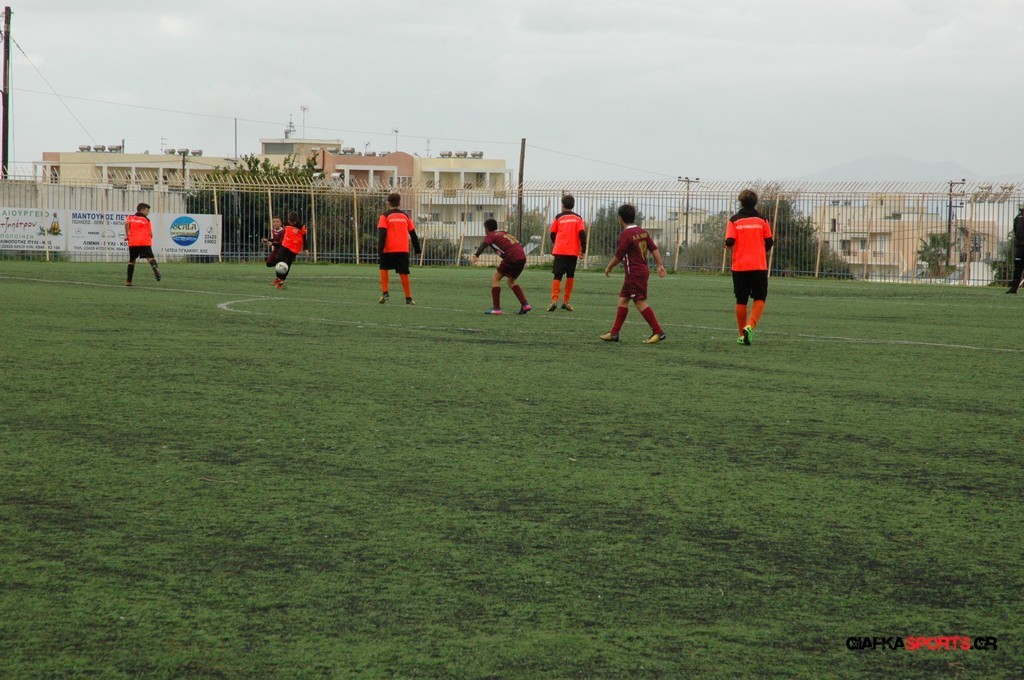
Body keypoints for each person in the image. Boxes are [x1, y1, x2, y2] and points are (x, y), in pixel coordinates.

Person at [600, 204, 667, 344]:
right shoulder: (642, 232)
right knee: (623, 300)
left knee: (639, 301)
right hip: (641, 271)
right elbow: (654, 248)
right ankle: (614, 333)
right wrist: (660, 265)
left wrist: (609, 267)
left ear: (620, 219)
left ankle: (658, 331)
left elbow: (619, 255)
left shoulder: (626, 235)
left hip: (634, 273)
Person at [726, 189, 774, 344]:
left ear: (740, 202)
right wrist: (760, 250)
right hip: (758, 265)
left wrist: (728, 246)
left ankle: (741, 334)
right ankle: (750, 326)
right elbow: (769, 241)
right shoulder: (762, 220)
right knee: (760, 297)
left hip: (740, 266)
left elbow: (730, 241)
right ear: (755, 203)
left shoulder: (734, 220)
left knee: (741, 300)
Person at [471, 218, 531, 315]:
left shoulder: (491, 235)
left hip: (511, 256)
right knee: (511, 281)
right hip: (522, 257)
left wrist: (476, 255)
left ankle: (496, 308)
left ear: (486, 229)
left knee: (496, 278)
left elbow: (484, 244)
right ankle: (525, 305)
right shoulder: (504, 233)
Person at [377, 193, 421, 304]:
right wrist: (417, 249)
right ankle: (408, 298)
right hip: (403, 249)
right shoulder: (405, 216)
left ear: (388, 203)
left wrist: (380, 250)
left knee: (383, 268)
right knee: (404, 273)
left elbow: (382, 234)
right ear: (399, 203)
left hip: (388, 249)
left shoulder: (384, 216)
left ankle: (385, 292)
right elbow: (413, 234)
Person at [548, 193, 587, 311]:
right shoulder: (578, 218)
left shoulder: (558, 217)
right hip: (572, 252)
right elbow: (582, 234)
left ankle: (554, 300)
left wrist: (557, 243)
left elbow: (552, 234)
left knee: (557, 275)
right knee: (570, 275)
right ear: (573, 205)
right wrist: (583, 250)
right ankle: (566, 301)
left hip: (560, 250)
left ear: (563, 205)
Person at [124, 202, 161, 286]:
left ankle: (128, 281)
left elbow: (126, 223)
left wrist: (127, 235)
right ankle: (154, 267)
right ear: (142, 210)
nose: (148, 213)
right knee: (150, 258)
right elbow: (150, 234)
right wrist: (149, 237)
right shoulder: (146, 220)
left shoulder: (130, 217)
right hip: (144, 242)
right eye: (147, 211)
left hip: (133, 242)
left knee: (132, 261)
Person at [273, 211, 307, 289]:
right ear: (288, 220)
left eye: (293, 222)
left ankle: (281, 280)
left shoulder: (301, 227)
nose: (291, 223)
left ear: (296, 221)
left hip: (295, 248)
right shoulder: (286, 223)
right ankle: (278, 278)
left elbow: (304, 238)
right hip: (285, 244)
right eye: (290, 222)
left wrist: (306, 248)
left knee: (287, 264)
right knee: (277, 258)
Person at [1006, 205, 1024, 293]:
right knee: (1018, 268)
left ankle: (1014, 288)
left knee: (1018, 268)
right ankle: (1013, 288)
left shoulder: (1018, 218)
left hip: (1020, 246)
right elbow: (1016, 230)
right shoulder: (1018, 218)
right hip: (1020, 247)